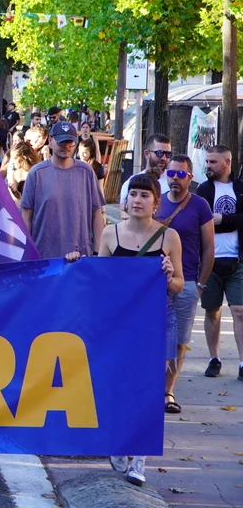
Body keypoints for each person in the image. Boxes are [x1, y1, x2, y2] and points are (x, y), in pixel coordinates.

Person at [66, 173, 182, 487]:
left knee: (149, 390)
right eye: (133, 194)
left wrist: (169, 275)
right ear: (125, 200)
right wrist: (79, 264)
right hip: (117, 322)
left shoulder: (169, 237)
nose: (138, 200)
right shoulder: (110, 233)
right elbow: (99, 279)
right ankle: (118, 442)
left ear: (156, 203)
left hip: (156, 321)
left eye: (145, 195)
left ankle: (139, 458)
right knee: (115, 385)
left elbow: (178, 285)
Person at [157, 156, 214, 413]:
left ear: (190, 177)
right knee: (153, 337)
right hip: (156, 283)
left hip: (187, 281)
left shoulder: (200, 205)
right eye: (171, 174)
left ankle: (168, 391)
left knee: (179, 341)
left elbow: (209, 247)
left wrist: (200, 284)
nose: (175, 179)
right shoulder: (156, 202)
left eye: (181, 174)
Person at [20, 121, 105, 259]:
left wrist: (97, 252)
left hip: (80, 256)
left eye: (70, 142)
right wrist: (28, 253)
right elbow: (26, 215)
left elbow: (96, 213)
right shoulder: (36, 173)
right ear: (50, 141)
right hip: (44, 257)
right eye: (61, 142)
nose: (66, 146)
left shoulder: (86, 172)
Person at [195, 145, 243, 380]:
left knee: (240, 311)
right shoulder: (203, 190)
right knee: (212, 311)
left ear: (227, 162)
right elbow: (201, 222)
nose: (208, 166)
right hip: (210, 260)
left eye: (213, 162)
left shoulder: (240, 189)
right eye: (207, 161)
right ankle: (214, 359)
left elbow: (219, 221)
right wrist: (233, 221)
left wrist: (223, 219)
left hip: (237, 260)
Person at [120, 133, 172, 199]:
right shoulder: (131, 183)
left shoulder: (173, 181)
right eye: (159, 153)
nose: (164, 158)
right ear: (147, 154)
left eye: (168, 154)